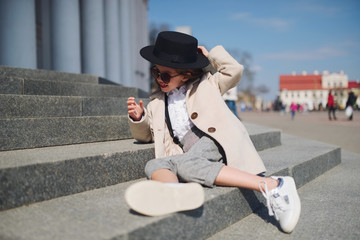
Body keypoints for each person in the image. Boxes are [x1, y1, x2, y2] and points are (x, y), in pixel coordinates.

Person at [125, 31, 301, 233]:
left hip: (213, 139)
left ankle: (273, 185)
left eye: (165, 75)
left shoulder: (207, 85)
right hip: (190, 151)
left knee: (188, 165)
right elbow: (148, 135)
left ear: (186, 75)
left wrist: (210, 56)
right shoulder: (157, 101)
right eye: (155, 72)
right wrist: (139, 118)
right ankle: (174, 194)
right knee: (154, 164)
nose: (159, 79)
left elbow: (233, 70)